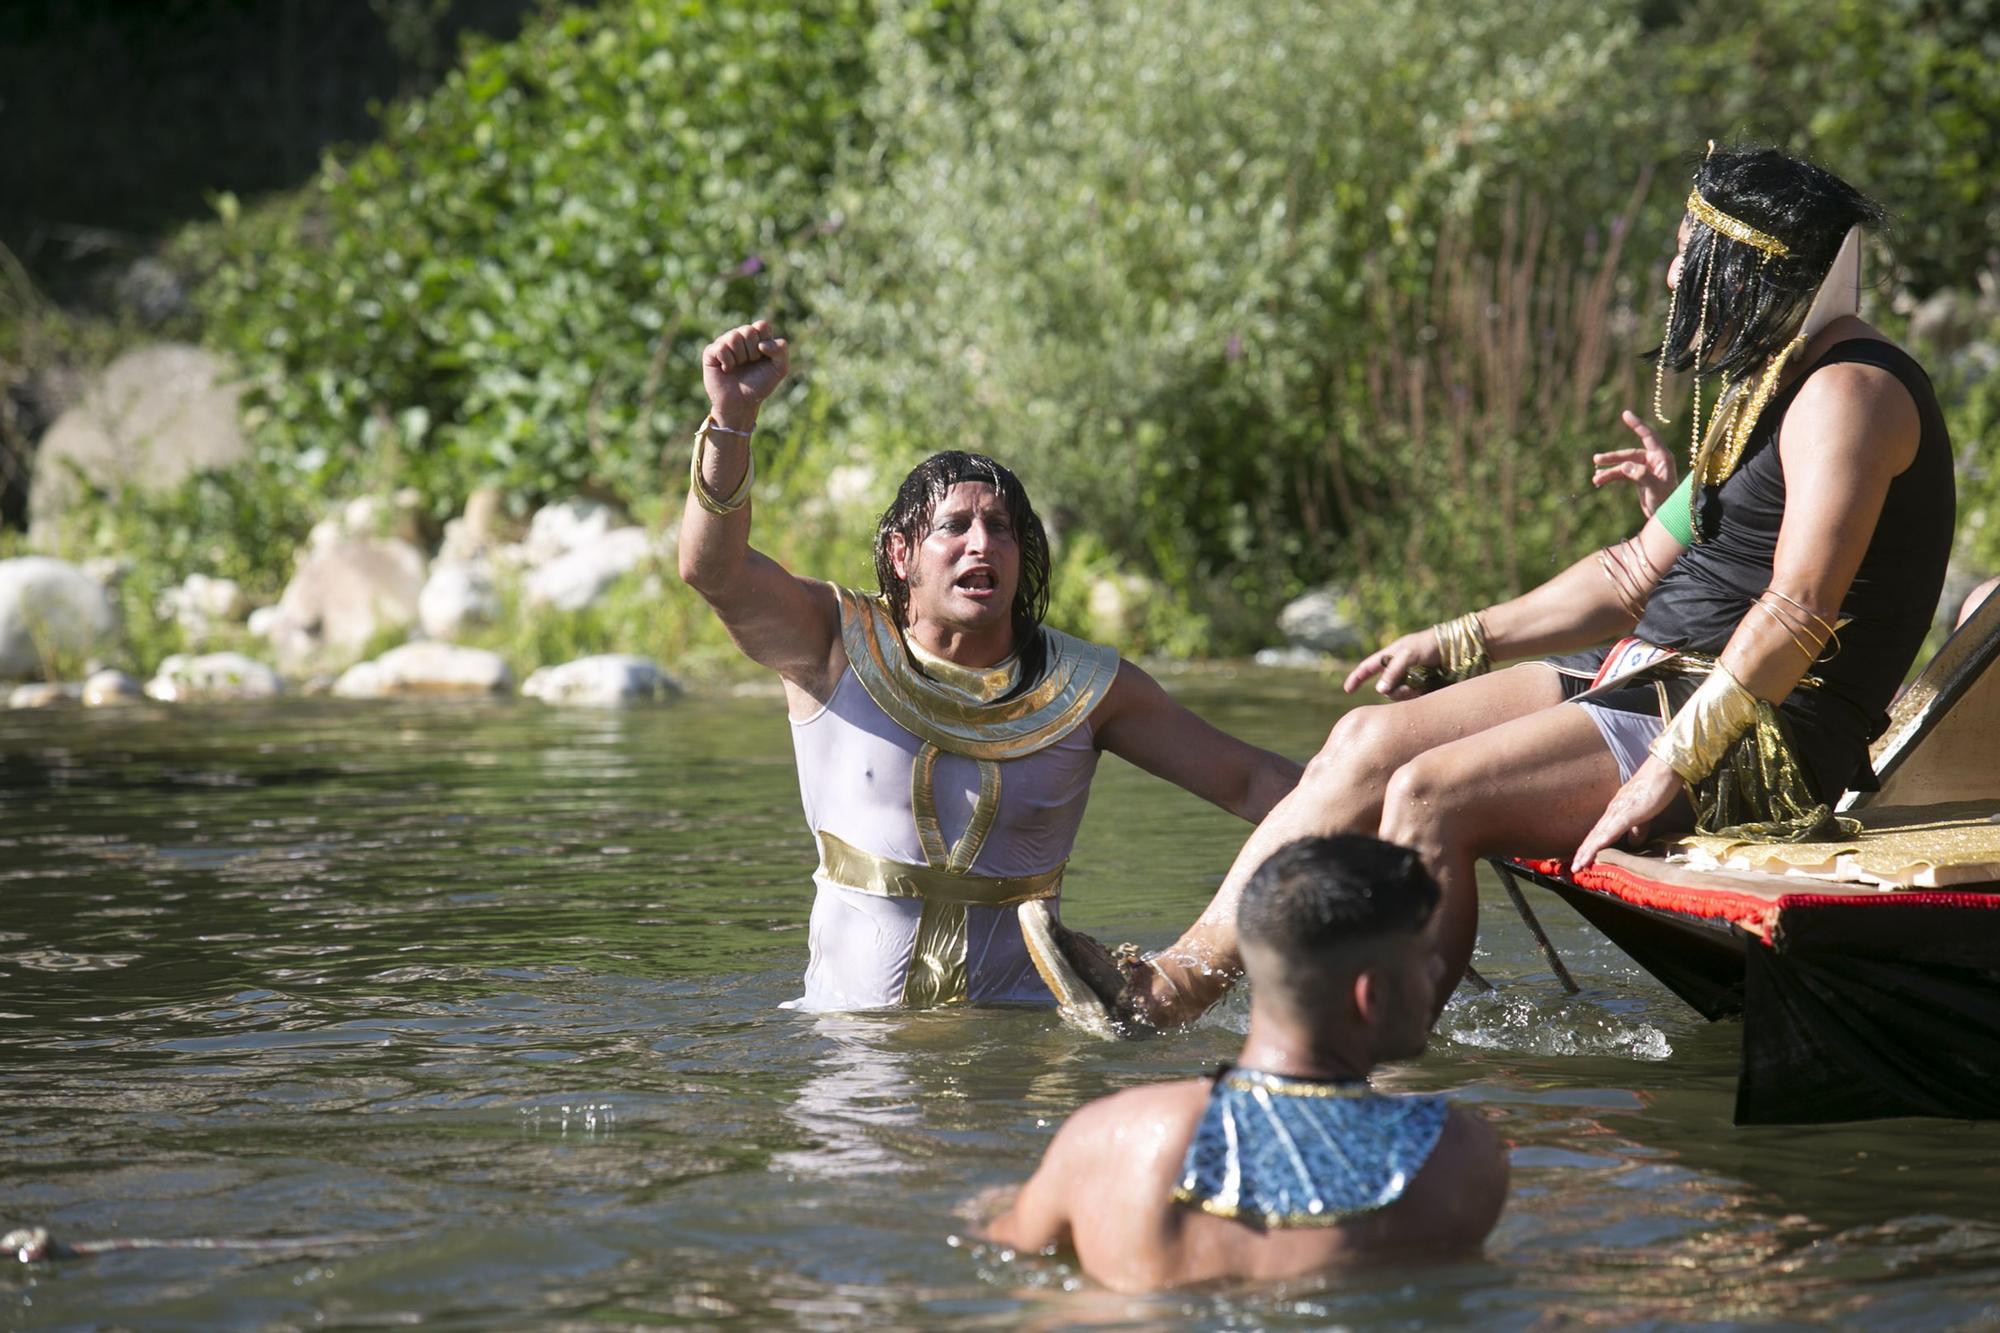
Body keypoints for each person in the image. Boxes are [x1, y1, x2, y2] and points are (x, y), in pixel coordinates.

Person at [1038, 143, 1956, 1031]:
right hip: (1653, 672)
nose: (1673, 282)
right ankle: (1168, 991)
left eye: (1690, 260)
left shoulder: (1850, 394)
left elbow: (1796, 615)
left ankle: (1383, 1066)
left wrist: (1671, 767)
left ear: (1750, 270)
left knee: (1431, 795)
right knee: (1364, 743)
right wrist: (1453, 640)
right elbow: (1633, 570)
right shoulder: (1774, 382)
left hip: (1752, 733)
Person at [676, 321, 1303, 1010]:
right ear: (899, 554)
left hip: (1024, 1064)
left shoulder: (1089, 689)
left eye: (1001, 528)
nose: (983, 544)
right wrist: (731, 421)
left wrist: (1394, 829)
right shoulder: (831, 644)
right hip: (850, 1061)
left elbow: (1257, 784)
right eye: (955, 526)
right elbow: (715, 570)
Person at [983, 834, 1507, 1291]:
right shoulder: (1459, 1159)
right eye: (1425, 959)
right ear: (1370, 995)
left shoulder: (1106, 1140)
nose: (1439, 970)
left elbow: (1005, 1251)